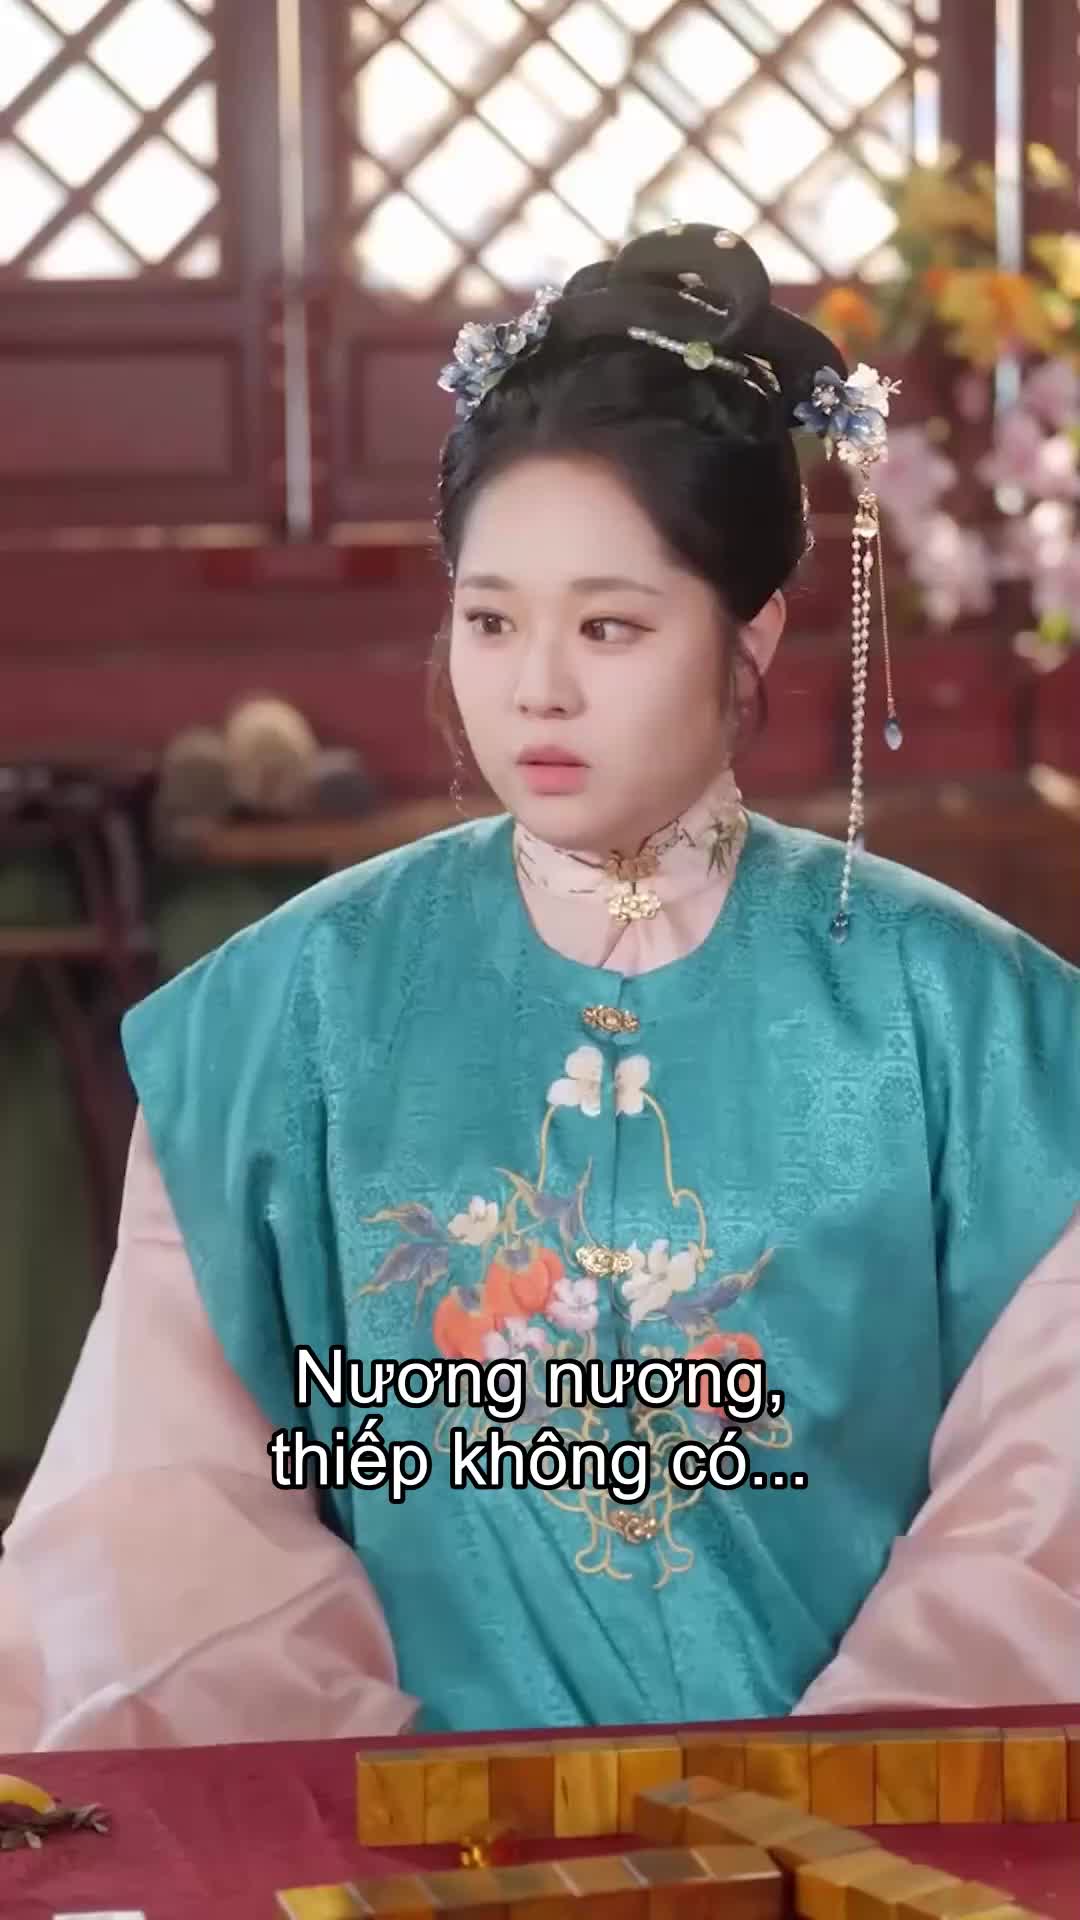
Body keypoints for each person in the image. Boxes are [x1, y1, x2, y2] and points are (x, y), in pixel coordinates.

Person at [0, 226, 1077, 1754]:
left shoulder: (968, 1018)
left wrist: (833, 1793)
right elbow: (173, 1493)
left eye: (611, 626)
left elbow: (1042, 1501)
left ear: (752, 632)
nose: (536, 689)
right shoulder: (291, 1008)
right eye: (492, 619)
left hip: (852, 1831)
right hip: (413, 1831)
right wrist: (403, 1801)